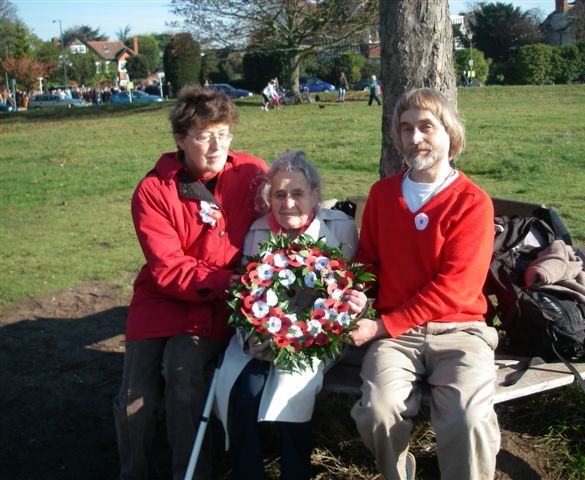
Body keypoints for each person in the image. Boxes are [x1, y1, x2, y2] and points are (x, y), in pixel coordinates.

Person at [113, 86, 268, 480]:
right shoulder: (153, 190)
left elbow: (284, 212)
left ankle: (193, 471)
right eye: (203, 135)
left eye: (224, 132)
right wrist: (231, 280)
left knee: (183, 373)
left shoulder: (250, 172)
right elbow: (166, 268)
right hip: (162, 299)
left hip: (215, 301)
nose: (216, 145)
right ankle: (134, 470)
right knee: (136, 397)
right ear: (181, 140)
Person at [349, 88, 500, 480]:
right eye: (405, 129)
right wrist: (352, 290)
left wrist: (381, 325)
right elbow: (368, 261)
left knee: (468, 417)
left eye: (425, 127)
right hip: (397, 339)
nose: (414, 138)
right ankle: (398, 472)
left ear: (449, 132)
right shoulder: (383, 195)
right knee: (377, 411)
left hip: (460, 331)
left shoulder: (472, 202)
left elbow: (454, 287)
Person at [214, 150, 368, 480]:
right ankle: (247, 472)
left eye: (297, 194)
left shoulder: (339, 229)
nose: (288, 204)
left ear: (315, 195)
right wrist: (253, 336)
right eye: (279, 194)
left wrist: (299, 338)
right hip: (265, 333)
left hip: (320, 335)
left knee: (291, 383)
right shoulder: (257, 232)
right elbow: (248, 297)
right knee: (246, 386)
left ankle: (296, 472)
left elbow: (347, 297)